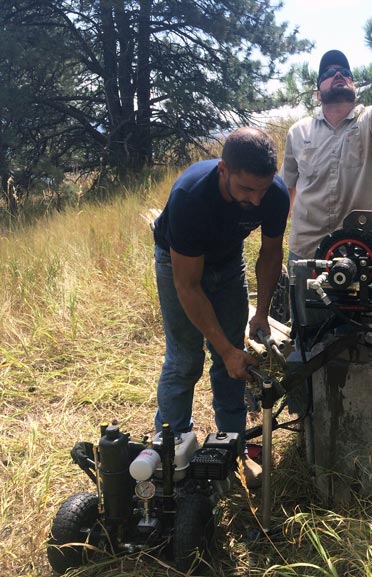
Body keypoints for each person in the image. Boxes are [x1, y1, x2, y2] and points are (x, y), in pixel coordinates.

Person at [152, 127, 289, 488]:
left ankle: (234, 451)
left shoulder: (273, 194)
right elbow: (188, 285)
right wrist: (224, 348)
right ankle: (172, 452)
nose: (257, 201)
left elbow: (271, 254)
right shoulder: (190, 197)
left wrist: (260, 313)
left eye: (262, 190)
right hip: (177, 264)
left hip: (228, 264)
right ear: (223, 171)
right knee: (184, 361)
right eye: (247, 190)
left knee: (235, 365)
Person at [280, 24, 372, 261]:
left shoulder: (370, 122)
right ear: (318, 94)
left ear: (354, 89)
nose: (338, 74)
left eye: (344, 72)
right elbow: (287, 189)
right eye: (328, 74)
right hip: (306, 251)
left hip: (362, 252)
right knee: (301, 300)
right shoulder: (298, 132)